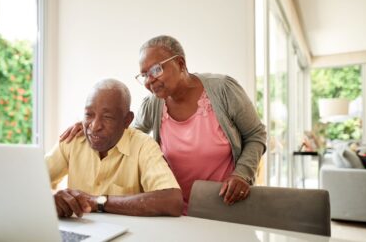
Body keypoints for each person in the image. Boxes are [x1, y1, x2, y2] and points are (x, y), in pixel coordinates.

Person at [60, 35, 267, 213]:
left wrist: (242, 174)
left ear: (181, 64)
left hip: (225, 204)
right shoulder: (154, 104)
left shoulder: (223, 90)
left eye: (156, 70)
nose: (149, 80)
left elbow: (256, 134)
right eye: (144, 75)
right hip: (173, 209)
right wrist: (92, 123)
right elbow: (126, 134)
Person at [47, 78, 183, 218]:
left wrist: (98, 202)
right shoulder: (72, 140)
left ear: (127, 120)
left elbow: (172, 201)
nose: (94, 126)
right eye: (89, 114)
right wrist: (54, 199)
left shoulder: (143, 146)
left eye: (107, 117)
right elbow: (31, 182)